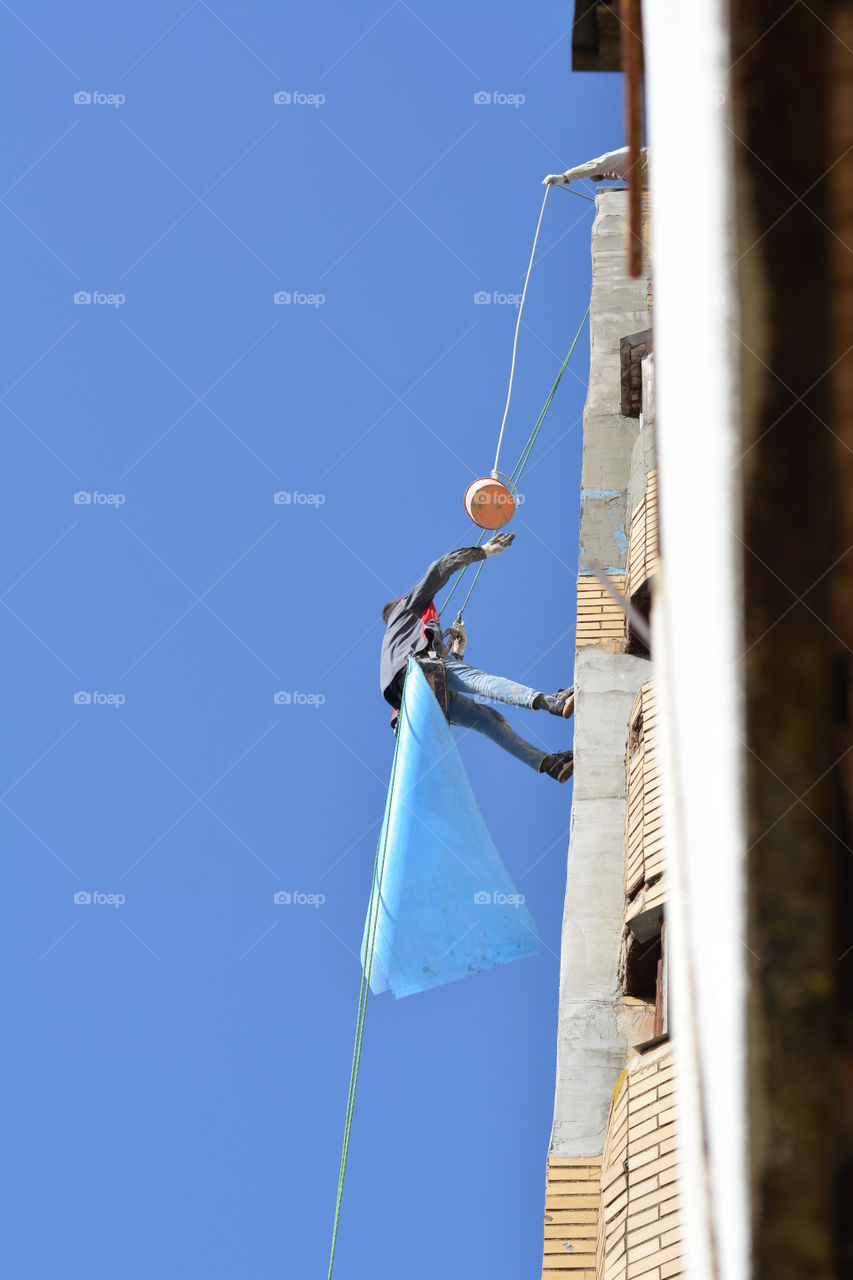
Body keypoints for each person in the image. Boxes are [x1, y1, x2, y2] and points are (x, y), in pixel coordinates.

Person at [380, 533, 574, 782]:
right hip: (417, 671)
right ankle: (551, 702)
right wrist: (482, 551)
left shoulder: (397, 638)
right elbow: (437, 569)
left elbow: (443, 683)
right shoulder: (407, 607)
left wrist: (458, 650)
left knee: (487, 719)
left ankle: (549, 764)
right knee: (483, 681)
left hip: (410, 702)